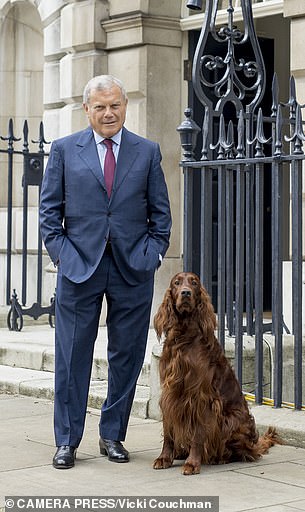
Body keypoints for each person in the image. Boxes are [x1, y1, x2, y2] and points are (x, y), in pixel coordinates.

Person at [39, 75, 172, 469]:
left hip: (133, 268)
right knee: (72, 355)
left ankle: (113, 434)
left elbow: (161, 215)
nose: (108, 113)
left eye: (114, 105)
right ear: (87, 110)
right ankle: (67, 441)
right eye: (100, 106)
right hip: (79, 267)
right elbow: (49, 214)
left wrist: (153, 255)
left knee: (126, 356)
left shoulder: (146, 151)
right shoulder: (64, 150)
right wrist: (63, 256)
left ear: (125, 105)